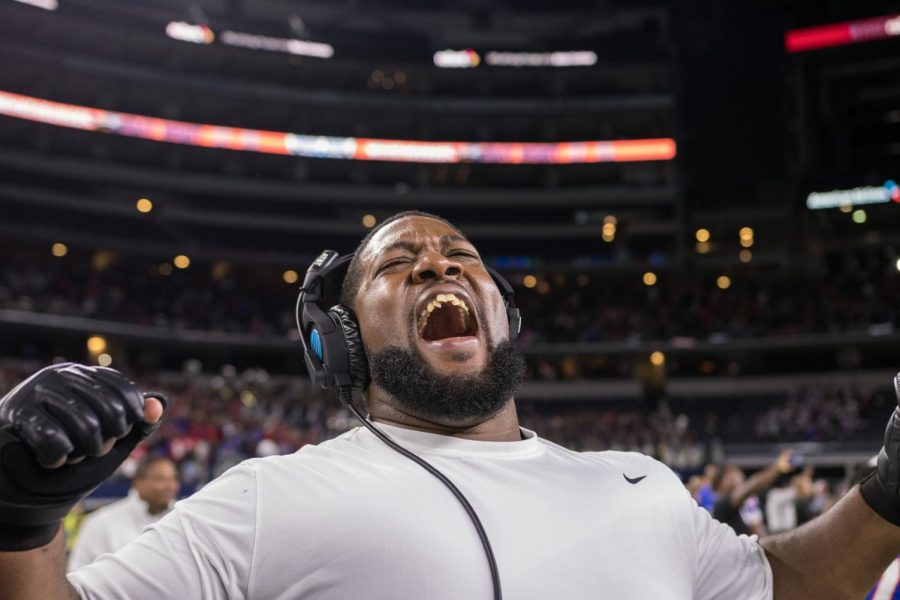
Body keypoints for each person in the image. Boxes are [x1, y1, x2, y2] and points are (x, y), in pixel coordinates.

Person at [1, 211, 900, 599]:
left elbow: (786, 584)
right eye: (396, 264)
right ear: (339, 343)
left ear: (505, 316)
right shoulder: (264, 500)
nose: (438, 264)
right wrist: (21, 518)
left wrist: (891, 486)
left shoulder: (641, 485)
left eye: (460, 255)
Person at [67, 456, 179, 571]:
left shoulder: (181, 520)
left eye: (173, 479)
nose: (170, 486)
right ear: (138, 483)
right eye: (160, 479)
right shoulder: (101, 522)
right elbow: (78, 573)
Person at [712, 450, 795, 537]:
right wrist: (777, 467)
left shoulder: (745, 502)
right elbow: (749, 488)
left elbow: (757, 530)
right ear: (724, 480)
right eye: (735, 475)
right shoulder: (720, 505)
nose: (740, 478)